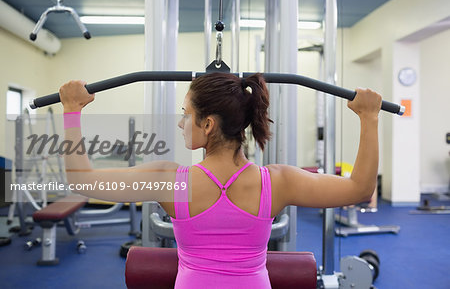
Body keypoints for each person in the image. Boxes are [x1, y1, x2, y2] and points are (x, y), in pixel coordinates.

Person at [59, 72, 381, 288]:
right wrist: (369, 118)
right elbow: (360, 188)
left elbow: (82, 180)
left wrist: (72, 110)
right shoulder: (277, 182)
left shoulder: (169, 181)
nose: (182, 122)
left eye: (186, 113)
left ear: (208, 123)